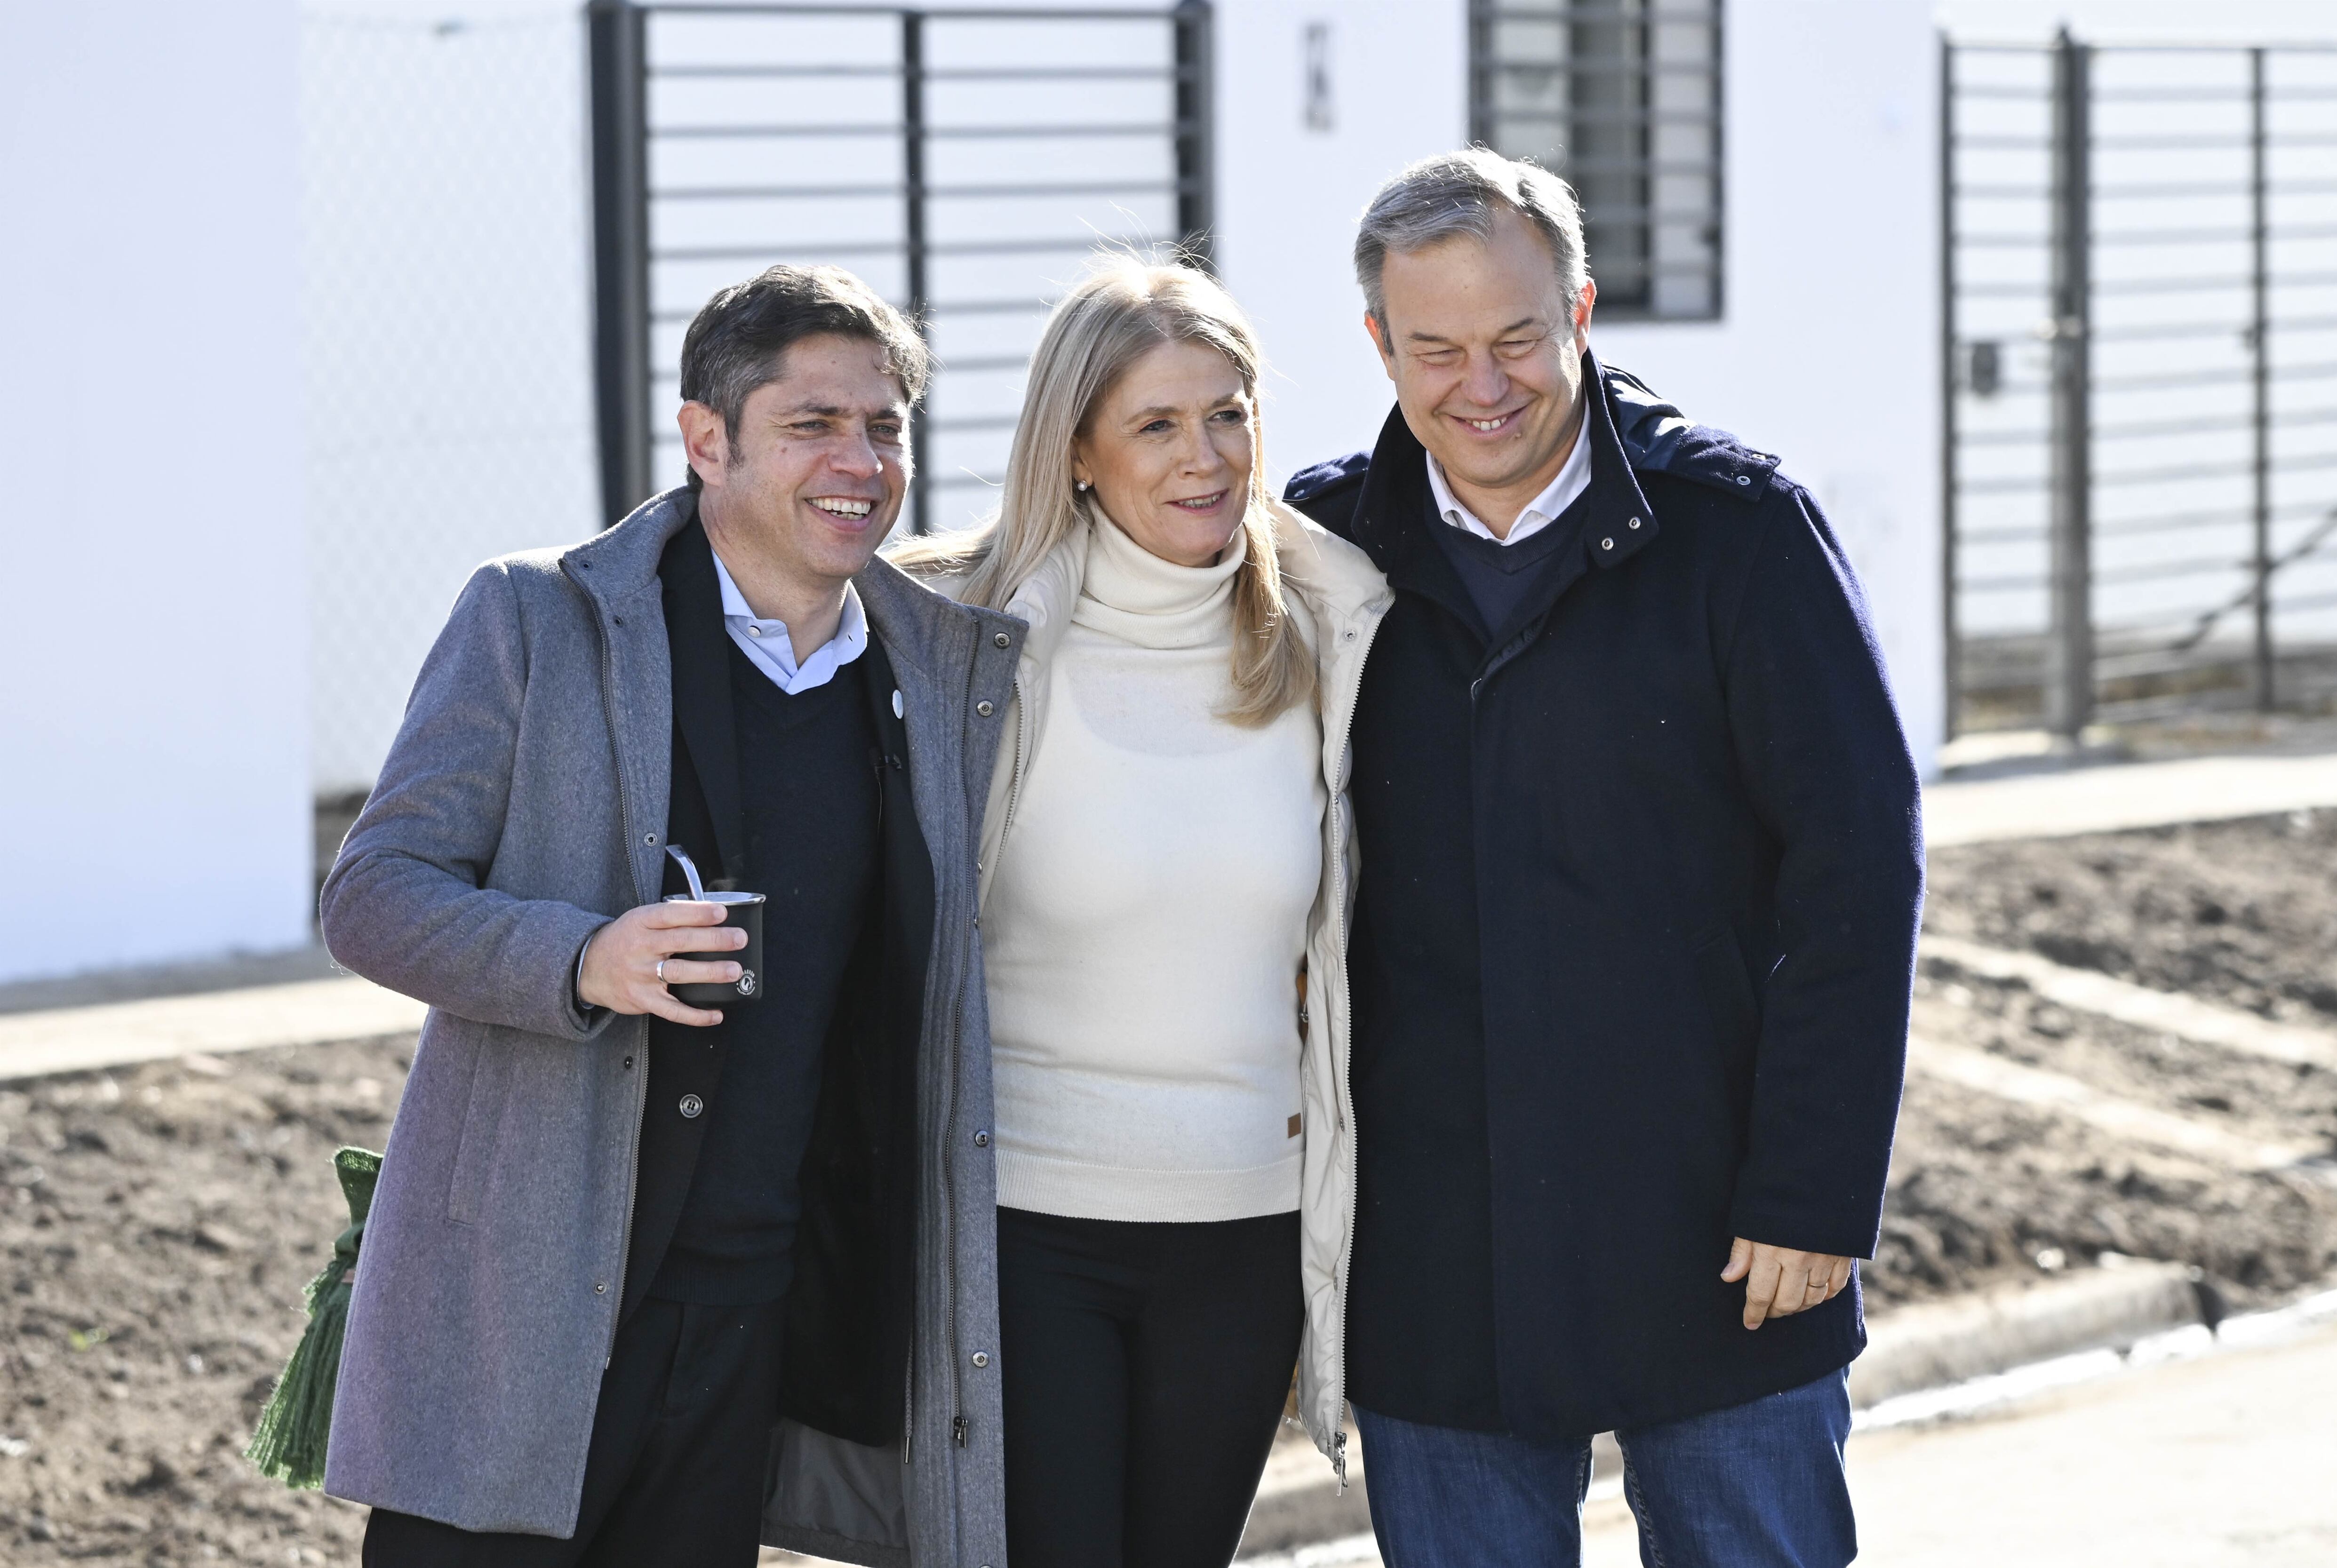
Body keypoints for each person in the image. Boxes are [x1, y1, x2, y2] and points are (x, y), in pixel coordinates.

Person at [319, 264, 1024, 1567]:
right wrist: (580, 957)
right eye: (814, 425)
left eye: (886, 427)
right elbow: (370, 897)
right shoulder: (536, 618)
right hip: (525, 1308)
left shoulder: (942, 676)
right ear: (707, 438)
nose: (861, 462)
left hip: (748, 1325)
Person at [1281, 150, 1922, 1568]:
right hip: (1433, 1251)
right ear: (1380, 346)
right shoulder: (1323, 553)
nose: (1482, 384)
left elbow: (1857, 876)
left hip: (1722, 1234)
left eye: (1517, 337)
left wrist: (1816, 1193)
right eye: (1434, 348)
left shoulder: (1741, 538)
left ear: (1578, 309)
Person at [893, 258, 1391, 1568]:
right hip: (1027, 1230)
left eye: (1229, 414)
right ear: (1079, 453)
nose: (1206, 456)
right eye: (1159, 424)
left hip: (1245, 1231)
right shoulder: (955, 638)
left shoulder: (1333, 631)